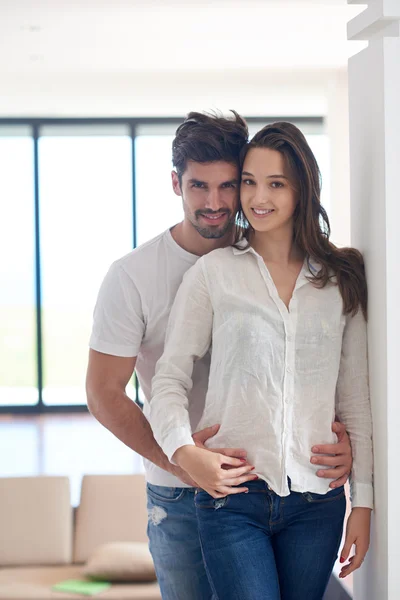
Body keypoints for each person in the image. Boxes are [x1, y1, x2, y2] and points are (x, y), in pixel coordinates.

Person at [86, 112, 354, 600]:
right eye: (197, 187)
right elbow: (104, 394)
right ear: (176, 183)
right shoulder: (132, 276)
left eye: (230, 185)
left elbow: (313, 366)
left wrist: (335, 441)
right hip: (179, 487)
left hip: (282, 481)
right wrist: (184, 463)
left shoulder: (284, 263)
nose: (214, 203)